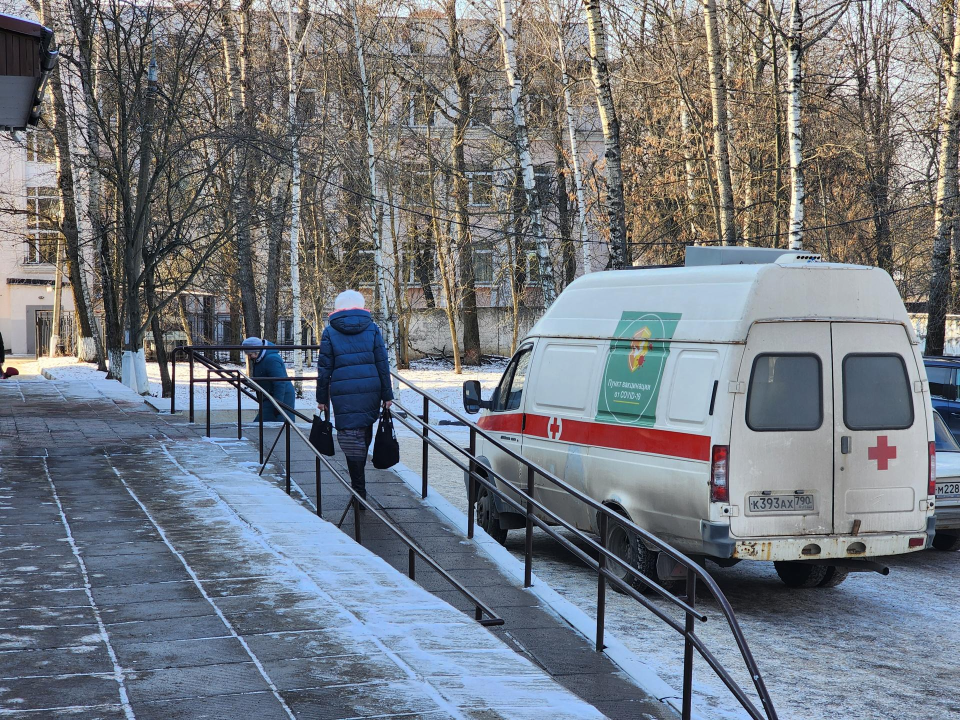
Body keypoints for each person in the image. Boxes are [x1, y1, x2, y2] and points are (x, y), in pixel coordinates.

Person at [316, 290, 393, 500]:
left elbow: (324, 369)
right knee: (364, 429)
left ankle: (358, 486)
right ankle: (359, 485)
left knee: (350, 434)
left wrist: (322, 398)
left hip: (343, 393)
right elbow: (382, 364)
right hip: (370, 389)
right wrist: (387, 395)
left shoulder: (330, 332)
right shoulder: (373, 329)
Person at [242, 337, 295, 422]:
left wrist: (278, 405)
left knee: (273, 425)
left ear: (256, 351)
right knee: (271, 426)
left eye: (250, 354)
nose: (249, 357)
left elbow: (280, 383)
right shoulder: (261, 358)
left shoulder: (271, 359)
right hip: (271, 396)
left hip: (280, 397)